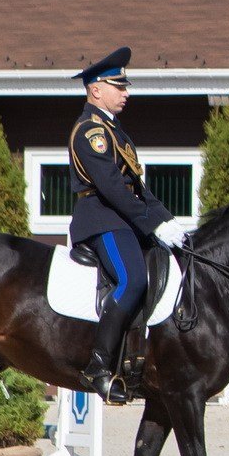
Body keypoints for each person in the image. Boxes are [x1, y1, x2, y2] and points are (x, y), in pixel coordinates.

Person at [67, 47, 188, 403]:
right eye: (118, 86)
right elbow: (112, 189)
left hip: (122, 218)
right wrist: (150, 225)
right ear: (95, 90)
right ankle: (99, 366)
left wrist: (167, 221)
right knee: (133, 278)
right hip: (102, 218)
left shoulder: (115, 131)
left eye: (125, 86)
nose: (126, 92)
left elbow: (138, 187)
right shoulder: (91, 131)